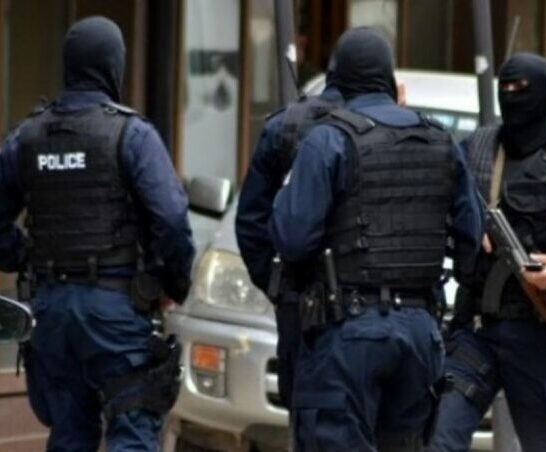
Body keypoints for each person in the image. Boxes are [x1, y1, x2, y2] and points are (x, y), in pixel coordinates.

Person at [268, 27, 484, 451]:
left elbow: (292, 238)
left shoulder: (328, 139)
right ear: (390, 79)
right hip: (420, 335)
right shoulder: (440, 139)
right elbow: (471, 241)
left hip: (347, 334)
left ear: (338, 80)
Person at [0, 16, 194, 452]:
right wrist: (172, 283)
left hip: (52, 313)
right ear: (114, 66)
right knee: (132, 434)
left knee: (69, 435)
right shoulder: (132, 135)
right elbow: (171, 217)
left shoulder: (26, 138)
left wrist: (24, 256)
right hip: (116, 314)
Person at [426, 53, 546, 452]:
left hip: (543, 339)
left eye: (522, 89)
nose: (512, 96)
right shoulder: (477, 150)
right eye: (505, 88)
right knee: (438, 440)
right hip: (477, 332)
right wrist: (467, 228)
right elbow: (432, 209)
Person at [236, 54, 343, 409]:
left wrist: (277, 285)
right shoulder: (394, 129)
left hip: (301, 305)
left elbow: (251, 221)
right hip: (377, 314)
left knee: (308, 418)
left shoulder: (287, 126)